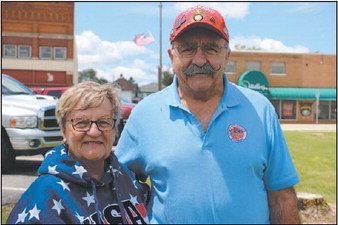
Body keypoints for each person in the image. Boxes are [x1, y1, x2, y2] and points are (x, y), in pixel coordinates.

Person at [115, 5, 300, 224]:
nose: (200, 60)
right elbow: (118, 190)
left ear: (227, 55)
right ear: (171, 55)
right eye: (187, 49)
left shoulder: (260, 109)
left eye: (211, 49)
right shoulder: (144, 114)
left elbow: (282, 198)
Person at [7, 81, 149, 224]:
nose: (94, 132)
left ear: (114, 130)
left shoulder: (124, 176)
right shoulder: (46, 194)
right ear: (64, 131)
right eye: (81, 122)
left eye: (104, 122)